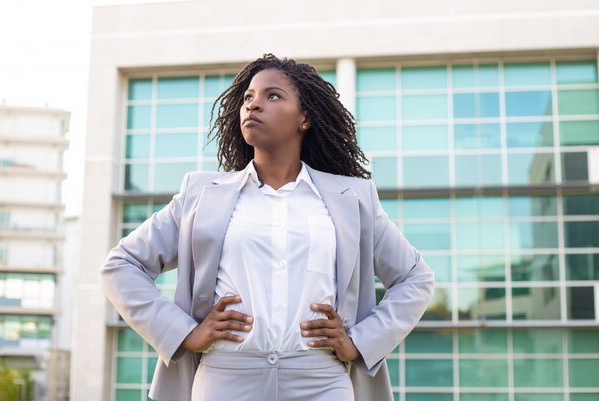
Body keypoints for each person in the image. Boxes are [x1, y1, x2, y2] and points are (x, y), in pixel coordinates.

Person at [100, 53, 434, 401]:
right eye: (248, 97)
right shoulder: (201, 195)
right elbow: (121, 265)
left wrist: (358, 343)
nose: (253, 105)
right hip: (224, 379)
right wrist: (185, 334)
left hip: (321, 381)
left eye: (272, 96)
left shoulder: (352, 199)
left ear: (304, 118)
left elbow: (416, 278)